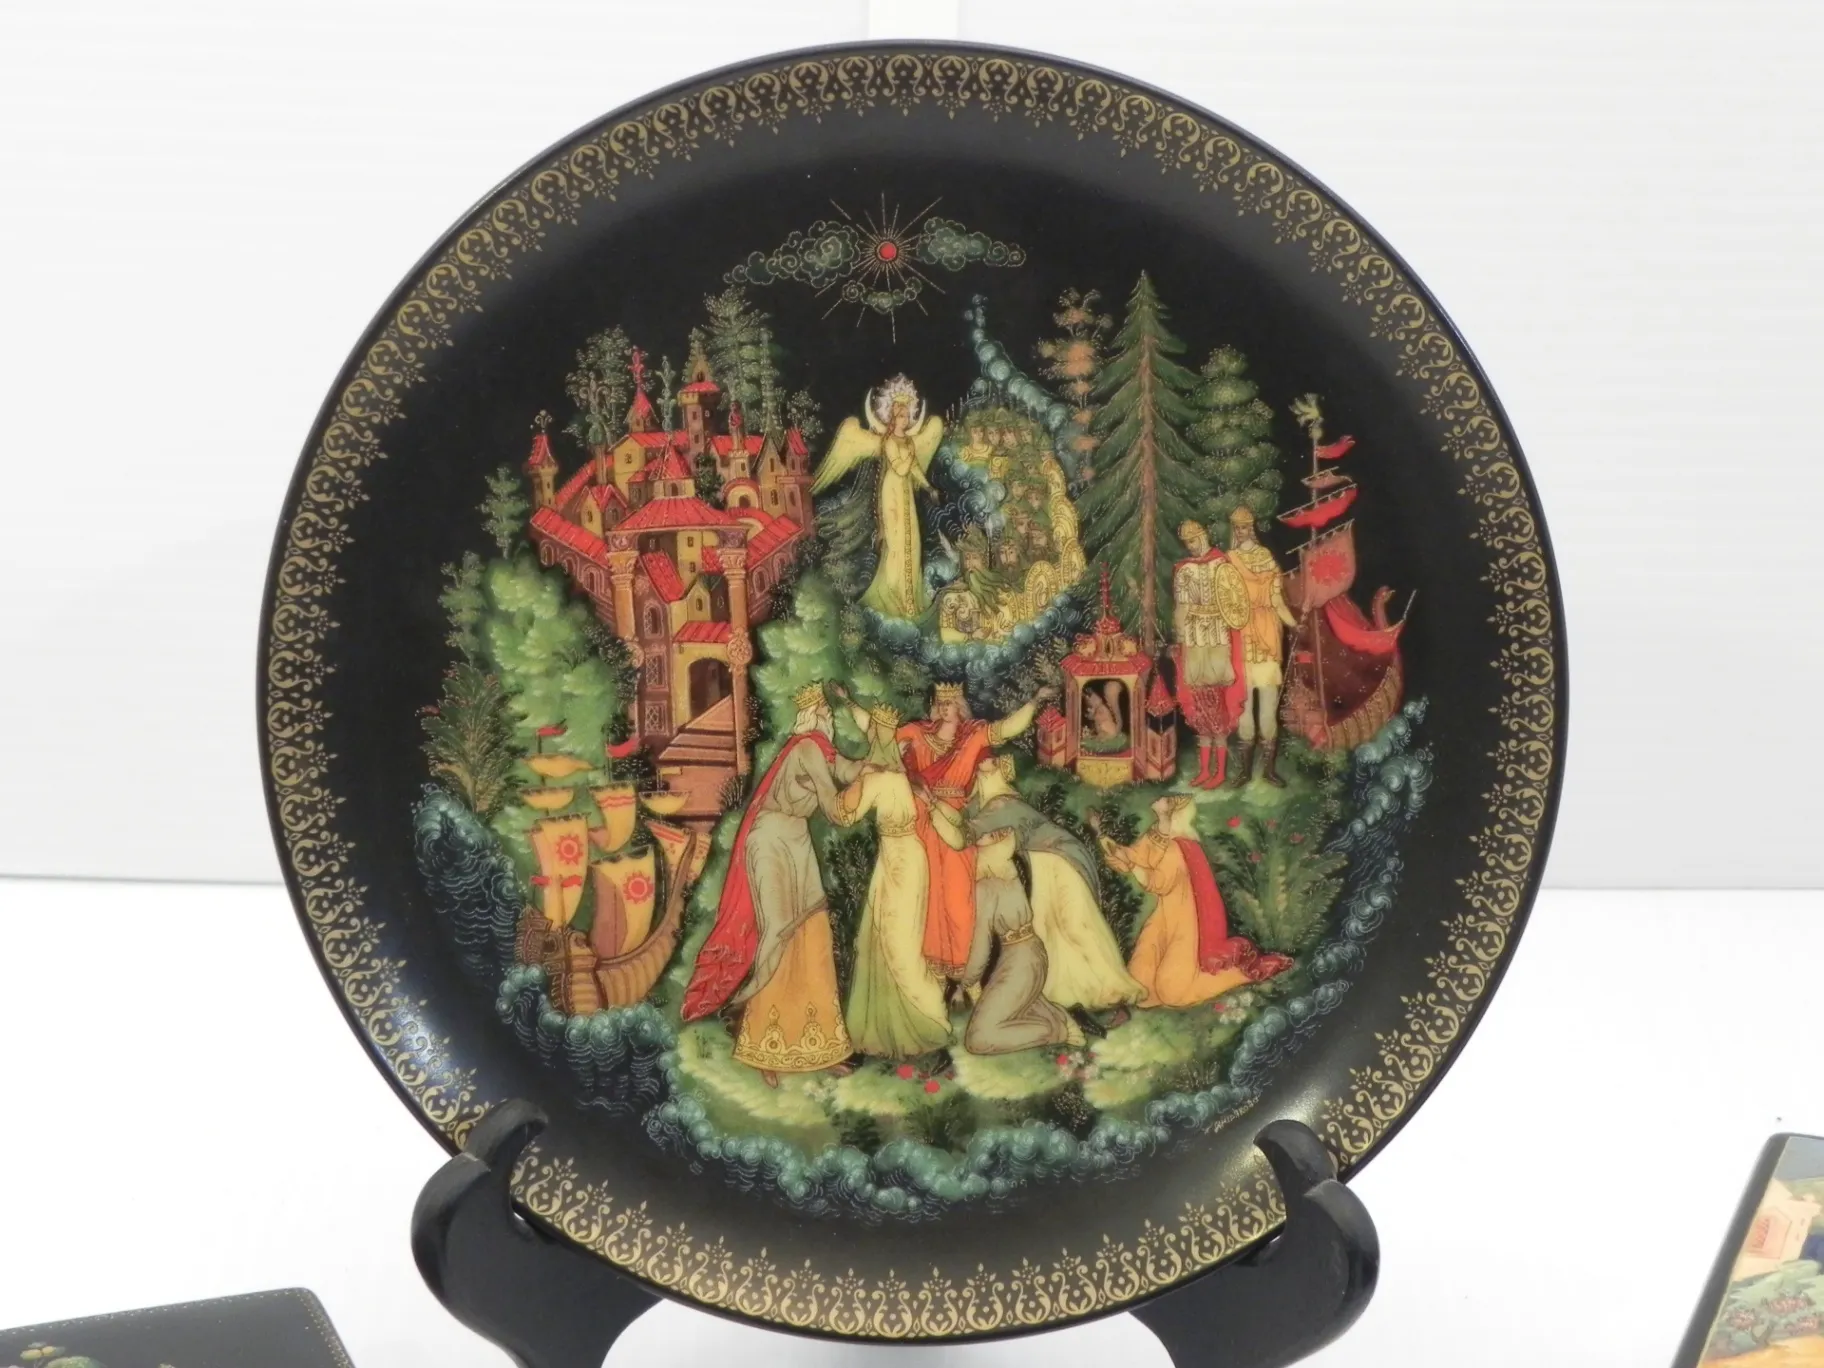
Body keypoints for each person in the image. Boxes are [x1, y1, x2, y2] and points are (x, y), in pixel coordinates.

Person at [680, 681, 862, 1085]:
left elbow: (852, 770)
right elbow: (834, 808)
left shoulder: (823, 751)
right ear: (813, 718)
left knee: (812, 932)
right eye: (824, 713)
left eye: (828, 713)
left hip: (796, 839)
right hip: (771, 840)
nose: (829, 719)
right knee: (778, 931)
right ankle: (757, 1035)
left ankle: (822, 1045)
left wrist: (885, 757)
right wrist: (868, 797)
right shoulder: (806, 748)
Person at [894, 681, 1056, 986]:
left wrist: (1034, 701)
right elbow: (881, 740)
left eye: (951, 702)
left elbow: (1008, 728)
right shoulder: (917, 733)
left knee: (959, 897)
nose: (944, 707)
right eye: (940, 702)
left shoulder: (974, 735)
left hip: (958, 821)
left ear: (961, 706)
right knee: (926, 895)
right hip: (922, 822)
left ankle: (964, 971)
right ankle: (931, 971)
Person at [968, 754, 1142, 1018]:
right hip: (1042, 872)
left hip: (1060, 865)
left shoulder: (1004, 803)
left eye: (990, 762)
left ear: (997, 773)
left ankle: (1111, 987)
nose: (983, 763)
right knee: (1049, 932)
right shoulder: (984, 805)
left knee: (1076, 926)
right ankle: (1067, 994)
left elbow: (972, 829)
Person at [1094, 795, 1291, 1008]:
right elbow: (1135, 855)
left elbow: (1158, 882)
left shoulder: (1177, 847)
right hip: (1164, 918)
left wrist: (1131, 865)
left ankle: (1240, 974)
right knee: (1142, 987)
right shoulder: (1159, 835)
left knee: (1172, 991)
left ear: (1172, 813)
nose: (1160, 802)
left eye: (1166, 803)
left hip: (1186, 921)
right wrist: (1108, 843)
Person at [833, 705, 951, 1060]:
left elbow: (845, 816)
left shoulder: (879, 779)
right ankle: (891, 1026)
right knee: (894, 939)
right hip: (907, 859)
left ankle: (927, 1023)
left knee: (898, 943)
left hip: (901, 864)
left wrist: (837, 783)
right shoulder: (902, 777)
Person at [810, 375, 945, 619]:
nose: (905, 419)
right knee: (896, 545)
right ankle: (893, 600)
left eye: (907, 415)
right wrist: (909, 455)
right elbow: (901, 468)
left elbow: (914, 469)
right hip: (892, 494)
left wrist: (929, 488)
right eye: (901, 415)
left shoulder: (908, 442)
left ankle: (910, 600)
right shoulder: (889, 442)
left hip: (906, 494)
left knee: (911, 543)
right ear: (893, 417)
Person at [959, 828, 1082, 1056]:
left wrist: (967, 980)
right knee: (1010, 1007)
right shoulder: (1009, 874)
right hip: (1031, 953)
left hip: (1020, 962)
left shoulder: (986, 887)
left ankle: (1055, 1031)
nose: (980, 836)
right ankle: (1054, 1016)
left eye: (988, 835)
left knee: (978, 1039)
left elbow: (981, 945)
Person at [1225, 506, 1300, 788]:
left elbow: (1277, 601)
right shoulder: (1230, 560)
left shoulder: (1266, 558)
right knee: (1244, 710)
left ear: (1252, 527)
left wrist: (1293, 624)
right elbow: (1224, 602)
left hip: (1268, 635)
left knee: (1268, 709)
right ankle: (1245, 771)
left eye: (1245, 526)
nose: (1241, 531)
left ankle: (1268, 770)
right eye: (1237, 527)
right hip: (1241, 637)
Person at [1172, 520, 1249, 788]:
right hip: (1195, 640)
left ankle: (1220, 772)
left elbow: (1235, 602)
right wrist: (1180, 636)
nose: (1192, 546)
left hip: (1217, 638)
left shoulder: (1222, 565)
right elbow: (1181, 607)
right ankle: (1205, 770)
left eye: (1194, 540)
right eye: (1187, 543)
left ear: (1204, 535)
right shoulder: (1184, 570)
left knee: (1218, 708)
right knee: (1200, 709)